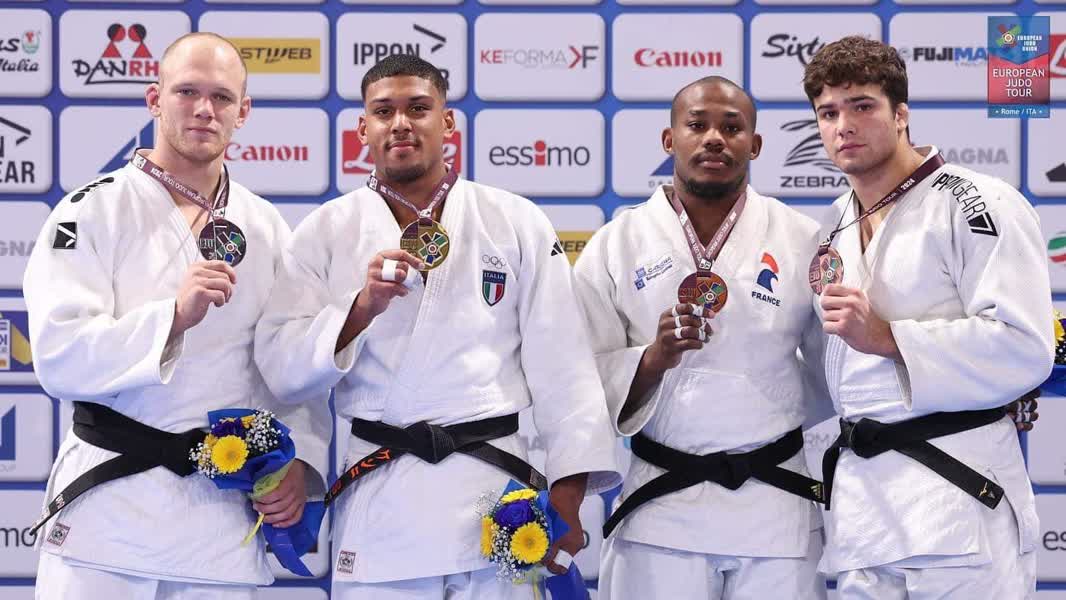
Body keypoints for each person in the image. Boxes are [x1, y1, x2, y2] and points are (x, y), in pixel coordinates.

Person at [253, 53, 620, 600]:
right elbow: (283, 369)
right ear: (362, 129)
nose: (401, 123)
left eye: (418, 108)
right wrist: (360, 309)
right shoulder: (326, 231)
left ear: (447, 122)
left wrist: (567, 494)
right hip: (382, 499)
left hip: (496, 500)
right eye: (384, 111)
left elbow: (564, 366)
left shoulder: (514, 221)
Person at [25, 33, 329, 600]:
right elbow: (58, 354)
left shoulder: (266, 227)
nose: (204, 109)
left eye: (222, 97)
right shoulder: (91, 211)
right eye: (187, 92)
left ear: (243, 112)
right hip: (108, 519)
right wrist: (171, 319)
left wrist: (298, 461)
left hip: (218, 526)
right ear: (154, 99)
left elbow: (289, 366)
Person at [802, 36, 1051, 598]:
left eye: (862, 106)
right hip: (865, 515)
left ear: (902, 114)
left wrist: (888, 337)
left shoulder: (976, 202)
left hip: (958, 500)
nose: (844, 125)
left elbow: (1025, 344)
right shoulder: (834, 224)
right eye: (828, 113)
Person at [573, 76, 832, 600]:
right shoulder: (616, 244)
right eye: (697, 125)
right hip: (661, 507)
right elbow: (577, 375)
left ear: (754, 145)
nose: (714, 138)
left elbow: (839, 367)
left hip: (775, 506)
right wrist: (652, 359)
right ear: (669, 139)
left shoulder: (803, 239)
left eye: (732, 128)